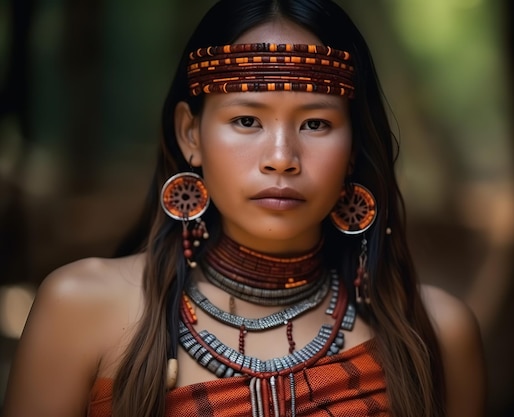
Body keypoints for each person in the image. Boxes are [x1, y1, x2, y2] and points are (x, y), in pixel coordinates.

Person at [2, 0, 486, 416]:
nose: (281, 158)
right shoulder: (82, 309)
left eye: (315, 124)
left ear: (354, 146)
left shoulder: (436, 335)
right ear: (191, 134)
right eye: (248, 119)